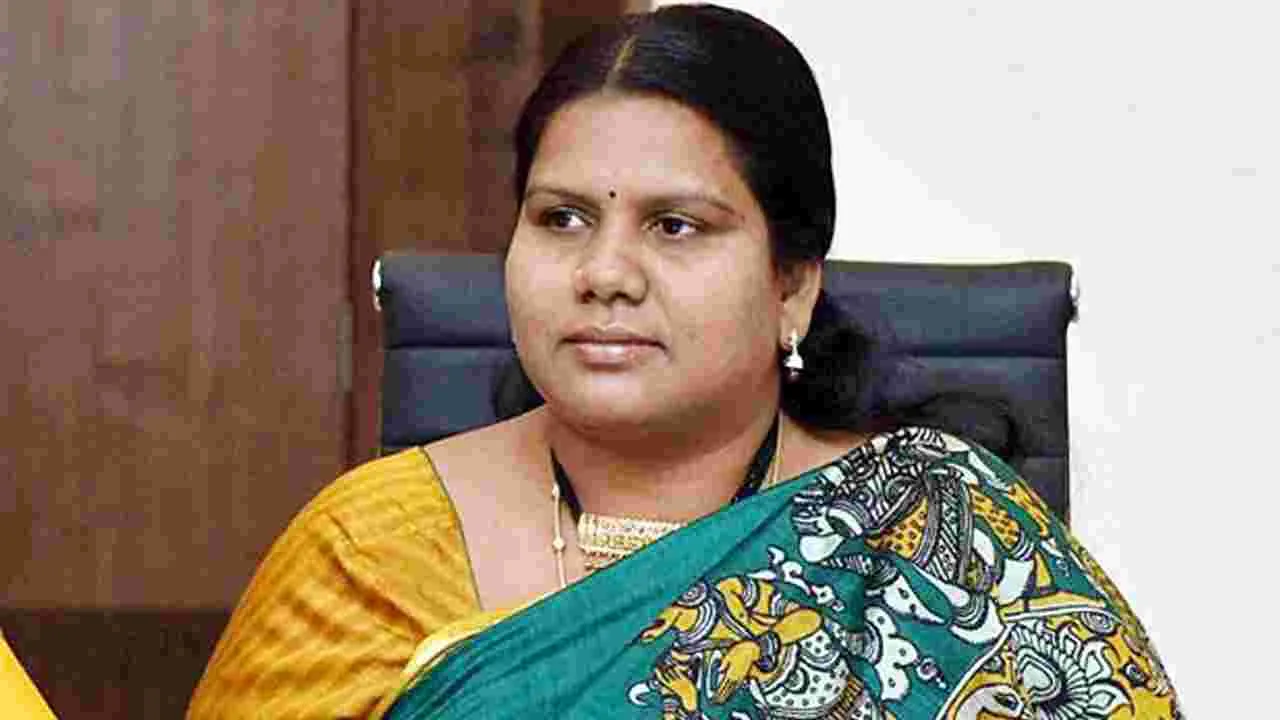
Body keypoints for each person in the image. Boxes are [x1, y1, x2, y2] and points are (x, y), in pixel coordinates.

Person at [188, 5, 1181, 718]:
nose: (603, 274)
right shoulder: (366, 554)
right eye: (561, 218)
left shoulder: (933, 534)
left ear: (790, 283)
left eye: (675, 225)